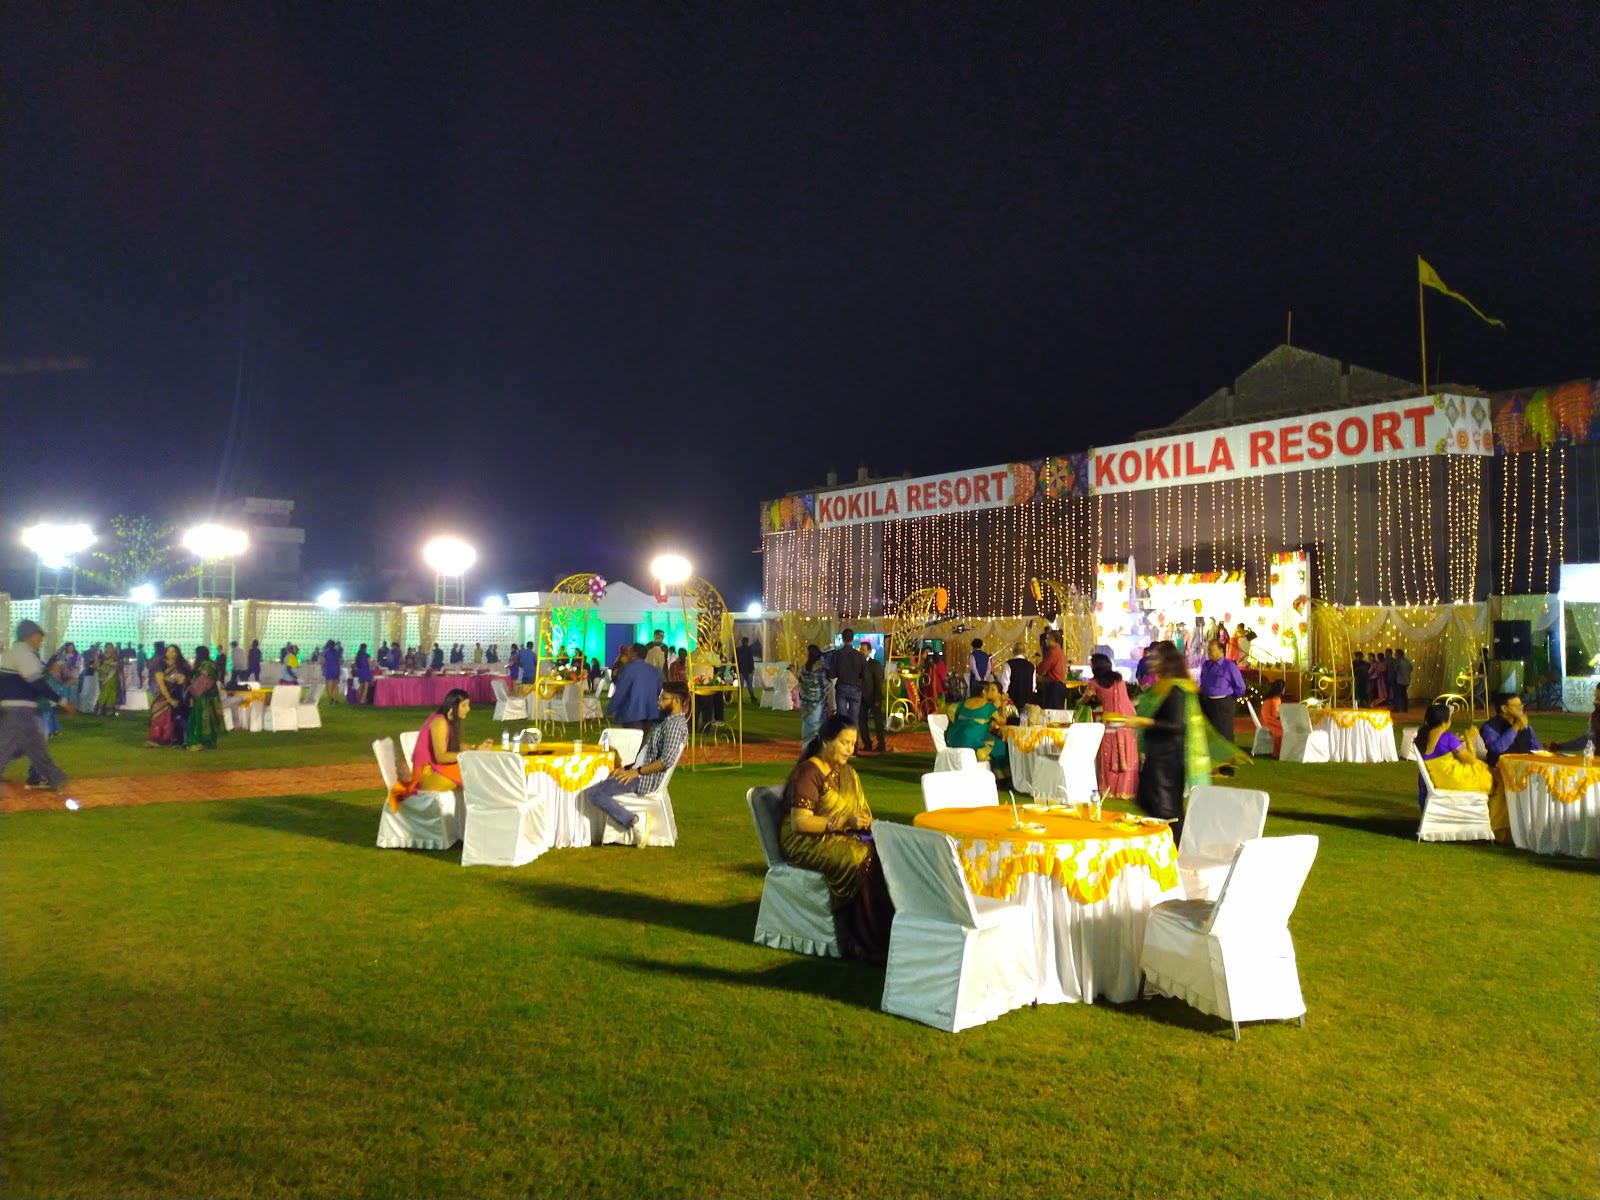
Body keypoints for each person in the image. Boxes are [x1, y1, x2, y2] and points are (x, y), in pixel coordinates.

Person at [779, 714, 893, 964]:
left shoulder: (847, 772)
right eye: (844, 742)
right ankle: (863, 940)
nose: (850, 749)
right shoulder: (809, 772)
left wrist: (864, 824)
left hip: (840, 834)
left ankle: (887, 931)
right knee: (859, 857)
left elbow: (860, 811)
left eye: (853, 744)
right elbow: (800, 823)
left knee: (883, 850)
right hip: (805, 840)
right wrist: (842, 823)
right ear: (826, 741)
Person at [1108, 641, 1211, 825]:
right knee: (1149, 804)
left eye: (1155, 658)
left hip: (1168, 761)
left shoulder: (1177, 689)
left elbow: (1175, 724)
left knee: (1166, 812)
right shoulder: (1161, 687)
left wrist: (1139, 721)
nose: (1151, 661)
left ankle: (1176, 840)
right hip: (1156, 756)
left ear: (1167, 661)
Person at [578, 682, 690, 846]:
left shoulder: (674, 726)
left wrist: (636, 772)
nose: (659, 702)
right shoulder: (671, 722)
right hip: (641, 773)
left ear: (676, 701)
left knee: (594, 793)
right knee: (606, 779)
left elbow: (666, 761)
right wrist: (629, 768)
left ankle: (634, 821)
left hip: (644, 779)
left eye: (663, 698)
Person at [0, 619, 76, 793]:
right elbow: (39, 684)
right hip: (20, 709)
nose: (40, 641)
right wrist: (62, 702)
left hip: (17, 708)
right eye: (38, 637)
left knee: (32, 746)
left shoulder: (16, 652)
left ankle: (54, 778)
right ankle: (52, 777)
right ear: (30, 636)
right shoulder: (23, 653)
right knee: (15, 747)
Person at [386, 689, 494, 809]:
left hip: (437, 770)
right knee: (472, 774)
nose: (468, 709)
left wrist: (475, 748)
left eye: (468, 705)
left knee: (472, 773)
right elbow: (441, 757)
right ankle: (486, 810)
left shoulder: (447, 721)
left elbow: (456, 745)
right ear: (452, 707)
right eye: (464, 706)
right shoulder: (440, 722)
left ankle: (475, 812)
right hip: (427, 776)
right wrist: (469, 754)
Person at [1416, 703, 1496, 827]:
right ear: (1443, 722)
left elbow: (1441, 750)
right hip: (1453, 780)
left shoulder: (1422, 737)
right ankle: (1494, 822)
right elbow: (1470, 759)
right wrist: (1469, 739)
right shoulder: (1448, 737)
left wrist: (1459, 741)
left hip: (1438, 779)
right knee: (1493, 778)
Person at [1087, 653, 1139, 799]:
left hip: (1110, 723)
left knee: (1108, 755)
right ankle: (1126, 790)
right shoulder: (1119, 679)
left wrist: (1081, 702)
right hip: (1126, 721)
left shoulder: (1095, 683)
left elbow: (1086, 699)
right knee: (1127, 754)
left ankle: (1109, 789)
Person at [947, 677, 1012, 784]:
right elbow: (1002, 722)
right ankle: (1002, 778)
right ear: (983, 692)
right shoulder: (988, 707)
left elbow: (957, 717)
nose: (991, 692)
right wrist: (1003, 703)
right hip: (971, 741)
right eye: (989, 690)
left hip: (954, 739)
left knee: (989, 738)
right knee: (1000, 745)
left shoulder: (963, 703)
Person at [1197, 639, 1247, 746]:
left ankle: (1228, 755)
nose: (1210, 653)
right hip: (1206, 703)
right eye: (1208, 650)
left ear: (1221, 650)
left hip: (1222, 704)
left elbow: (1240, 687)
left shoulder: (1229, 666)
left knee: (1224, 733)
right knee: (1209, 735)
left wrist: (1229, 698)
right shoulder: (1206, 665)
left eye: (1212, 650)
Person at [608, 642, 663, 730]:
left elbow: (621, 692)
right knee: (642, 737)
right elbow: (658, 689)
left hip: (632, 712)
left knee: (632, 738)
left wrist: (610, 708)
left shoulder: (628, 669)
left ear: (634, 654)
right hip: (650, 711)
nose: (628, 654)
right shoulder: (654, 670)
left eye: (629, 652)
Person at [1479, 692, 1541, 768]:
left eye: (1521, 705)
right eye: (1517, 706)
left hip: (1525, 766)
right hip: (1501, 768)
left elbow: (1536, 748)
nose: (1520, 708)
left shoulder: (1525, 726)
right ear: (1504, 708)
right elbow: (1496, 749)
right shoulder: (1490, 727)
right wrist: (1515, 727)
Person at [146, 644, 190, 747]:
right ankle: (155, 739)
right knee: (158, 715)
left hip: (178, 694)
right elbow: (160, 682)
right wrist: (169, 699)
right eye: (168, 651)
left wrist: (183, 679)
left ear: (177, 653)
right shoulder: (161, 664)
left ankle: (173, 740)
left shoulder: (182, 664)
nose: (170, 654)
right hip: (162, 694)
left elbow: (189, 677)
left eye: (173, 651)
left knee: (174, 718)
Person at [184, 646, 225, 751]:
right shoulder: (211, 664)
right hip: (210, 695)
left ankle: (198, 742)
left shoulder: (205, 665)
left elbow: (203, 679)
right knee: (209, 718)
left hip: (202, 696)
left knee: (200, 718)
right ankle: (208, 741)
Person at [828, 628, 866, 726]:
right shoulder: (860, 656)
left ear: (843, 639)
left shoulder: (836, 654)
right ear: (853, 639)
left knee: (842, 718)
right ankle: (853, 735)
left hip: (842, 687)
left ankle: (843, 735)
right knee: (854, 718)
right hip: (856, 688)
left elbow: (832, 674)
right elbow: (865, 674)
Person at [1553, 682, 1600, 753]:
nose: (1594, 701)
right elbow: (1586, 739)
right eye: (1595, 697)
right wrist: (1558, 747)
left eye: (1598, 699)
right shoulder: (1595, 716)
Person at [858, 640, 886, 754]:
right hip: (861, 697)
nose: (861, 652)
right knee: (861, 721)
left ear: (869, 651)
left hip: (873, 697)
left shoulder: (875, 664)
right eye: (860, 649)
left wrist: (878, 698)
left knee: (878, 721)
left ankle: (881, 744)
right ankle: (867, 743)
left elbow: (879, 683)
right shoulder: (858, 664)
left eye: (863, 650)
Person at [797, 644, 828, 747]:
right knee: (816, 724)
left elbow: (801, 682)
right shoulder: (820, 672)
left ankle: (806, 745)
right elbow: (826, 685)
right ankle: (815, 747)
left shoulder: (804, 670)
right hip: (818, 703)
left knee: (807, 723)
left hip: (806, 702)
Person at [1036, 632, 1067, 710]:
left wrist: (1037, 669)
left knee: (1051, 712)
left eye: (1047, 638)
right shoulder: (1060, 652)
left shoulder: (1054, 653)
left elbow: (1042, 669)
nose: (1046, 640)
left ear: (1053, 640)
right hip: (1058, 686)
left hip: (1054, 687)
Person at [93, 640, 122, 716]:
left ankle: (109, 710)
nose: (109, 649)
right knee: (104, 692)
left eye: (110, 647)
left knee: (112, 692)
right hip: (103, 676)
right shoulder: (101, 656)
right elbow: (96, 666)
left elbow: (118, 665)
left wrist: (112, 664)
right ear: (105, 648)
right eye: (107, 647)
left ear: (113, 648)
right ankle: (100, 709)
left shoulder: (115, 657)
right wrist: (98, 662)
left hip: (113, 676)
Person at [1003, 643, 1035, 711]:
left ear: (1014, 651)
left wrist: (1004, 696)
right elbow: (1033, 685)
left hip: (1012, 699)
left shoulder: (1009, 664)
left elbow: (1005, 683)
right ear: (1025, 652)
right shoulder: (1031, 666)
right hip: (1027, 700)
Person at [1259, 679, 1286, 756]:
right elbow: (1275, 715)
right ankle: (1280, 751)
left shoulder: (1269, 698)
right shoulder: (1276, 699)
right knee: (1285, 728)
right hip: (1270, 722)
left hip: (1264, 721)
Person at [1389, 648, 1412, 713]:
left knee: (1399, 695)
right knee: (1404, 694)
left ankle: (1398, 708)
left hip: (1399, 680)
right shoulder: (1407, 661)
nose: (1395, 655)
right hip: (1406, 680)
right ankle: (1404, 708)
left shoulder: (1398, 661)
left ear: (1399, 654)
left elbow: (1395, 669)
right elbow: (1411, 668)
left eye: (1396, 653)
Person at [736, 636, 757, 704]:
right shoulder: (749, 649)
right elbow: (751, 660)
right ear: (747, 642)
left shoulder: (738, 650)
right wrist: (752, 669)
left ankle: (740, 699)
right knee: (750, 686)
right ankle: (752, 698)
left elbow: (735, 659)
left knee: (740, 687)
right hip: (748, 670)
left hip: (740, 670)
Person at [321, 639, 343, 704]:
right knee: (335, 685)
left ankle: (330, 698)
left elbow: (323, 661)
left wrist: (322, 666)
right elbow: (340, 661)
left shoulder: (325, 652)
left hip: (329, 669)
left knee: (329, 685)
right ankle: (336, 698)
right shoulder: (337, 652)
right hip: (336, 669)